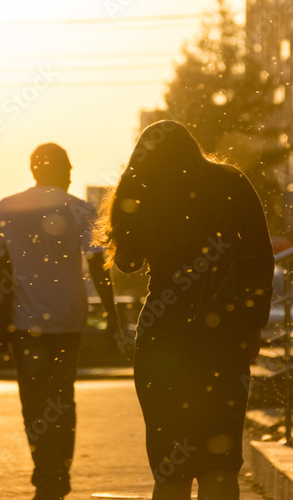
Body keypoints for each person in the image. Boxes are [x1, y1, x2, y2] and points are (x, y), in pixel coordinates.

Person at [97, 121, 274, 500]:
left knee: (171, 467)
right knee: (219, 463)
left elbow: (127, 261)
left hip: (163, 334)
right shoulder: (231, 182)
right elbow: (262, 259)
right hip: (223, 334)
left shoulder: (143, 189)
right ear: (193, 148)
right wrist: (252, 325)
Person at [0, 143, 122, 500]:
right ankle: (59, 473)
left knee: (34, 401)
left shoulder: (7, 206)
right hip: (69, 320)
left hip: (25, 324)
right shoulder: (79, 209)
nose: (72, 173)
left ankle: (46, 472)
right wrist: (111, 313)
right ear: (54, 168)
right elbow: (100, 266)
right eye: (68, 167)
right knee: (63, 399)